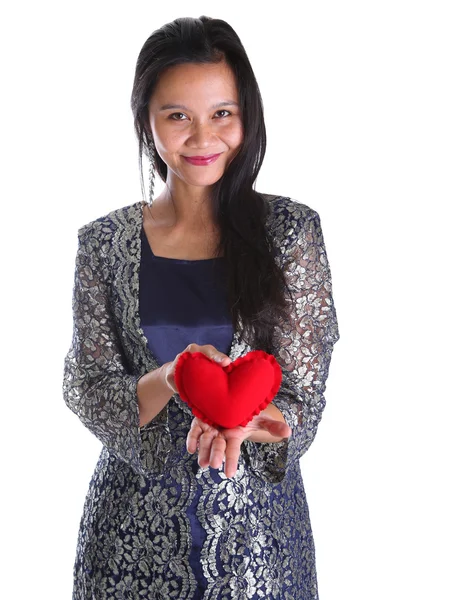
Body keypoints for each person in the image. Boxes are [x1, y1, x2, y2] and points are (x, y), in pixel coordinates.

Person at [62, 15, 340, 600]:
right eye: (177, 116)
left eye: (222, 113)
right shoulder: (104, 244)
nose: (202, 138)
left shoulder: (290, 233)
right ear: (147, 122)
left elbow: (303, 391)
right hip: (128, 537)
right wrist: (169, 375)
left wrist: (252, 425)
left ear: (247, 115)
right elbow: (89, 385)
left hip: (259, 539)